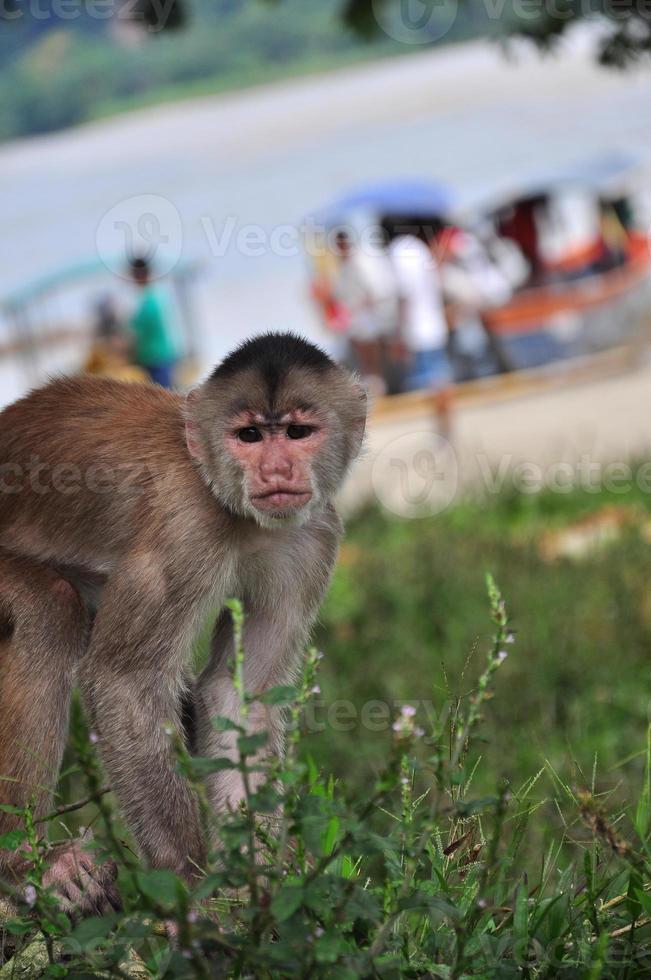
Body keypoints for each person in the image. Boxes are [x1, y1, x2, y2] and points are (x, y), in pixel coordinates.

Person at [384, 218, 454, 436]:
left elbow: (404, 295)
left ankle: (441, 432)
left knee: (429, 385)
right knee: (440, 380)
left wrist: (398, 333)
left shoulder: (397, 253)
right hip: (434, 324)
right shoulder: (419, 248)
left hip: (417, 328)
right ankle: (446, 429)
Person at [332, 229, 399, 394]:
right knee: (365, 354)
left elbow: (373, 290)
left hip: (368, 317)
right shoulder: (345, 266)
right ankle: (375, 382)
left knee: (372, 352)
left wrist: (359, 307)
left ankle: (380, 383)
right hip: (357, 318)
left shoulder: (360, 262)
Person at [128, 256, 181, 388]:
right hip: (160, 356)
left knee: (164, 396)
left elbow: (138, 331)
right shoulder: (154, 295)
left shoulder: (150, 300)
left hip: (157, 358)